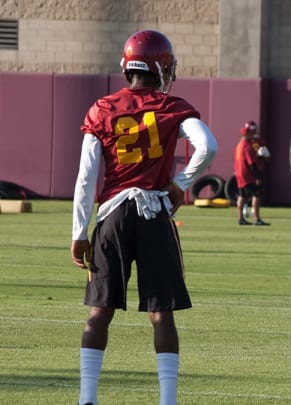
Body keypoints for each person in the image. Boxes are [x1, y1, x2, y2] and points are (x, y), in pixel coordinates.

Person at [70, 30, 218, 405]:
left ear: (127, 67)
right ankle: (167, 400)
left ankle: (88, 397)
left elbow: (87, 176)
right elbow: (207, 146)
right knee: (161, 313)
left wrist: (79, 231)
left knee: (100, 310)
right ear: (162, 67)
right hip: (153, 214)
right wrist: (179, 183)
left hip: (114, 215)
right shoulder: (172, 107)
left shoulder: (103, 108)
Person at [235, 121, 270, 226]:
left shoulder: (239, 145)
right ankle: (257, 218)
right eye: (251, 133)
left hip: (240, 174)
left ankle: (241, 218)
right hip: (248, 175)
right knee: (256, 195)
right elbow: (252, 164)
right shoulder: (247, 146)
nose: (253, 135)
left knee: (242, 196)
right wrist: (258, 176)